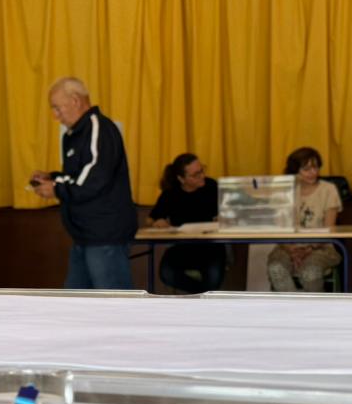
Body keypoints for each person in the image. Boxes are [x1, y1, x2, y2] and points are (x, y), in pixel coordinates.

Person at [30, 78, 137, 290]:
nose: (55, 116)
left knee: (113, 302)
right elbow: (78, 177)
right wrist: (52, 177)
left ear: (76, 101)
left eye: (57, 108)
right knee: (76, 300)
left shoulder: (98, 128)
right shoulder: (73, 134)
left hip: (104, 235)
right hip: (84, 235)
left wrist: (56, 189)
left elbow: (94, 180)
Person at [267, 147, 344, 292]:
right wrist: (292, 250)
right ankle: (292, 305)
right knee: (276, 269)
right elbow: (279, 229)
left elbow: (329, 230)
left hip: (321, 247)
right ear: (294, 171)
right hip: (287, 247)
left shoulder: (328, 189)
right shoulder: (283, 191)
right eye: (306, 169)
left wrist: (308, 249)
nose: (313, 173)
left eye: (316, 167)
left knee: (310, 272)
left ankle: (312, 307)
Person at [147, 152, 222, 294]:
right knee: (167, 273)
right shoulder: (171, 193)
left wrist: (223, 218)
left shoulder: (211, 186)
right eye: (195, 175)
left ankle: (201, 297)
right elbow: (151, 218)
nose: (202, 176)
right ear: (181, 179)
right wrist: (158, 222)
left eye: (202, 170)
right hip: (182, 248)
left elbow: (231, 210)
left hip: (211, 247)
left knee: (214, 278)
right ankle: (201, 296)